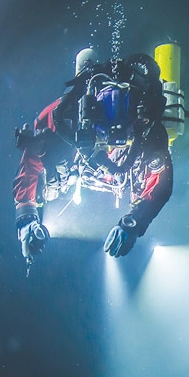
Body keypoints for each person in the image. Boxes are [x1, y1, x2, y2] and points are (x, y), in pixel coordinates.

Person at [12, 48, 172, 270]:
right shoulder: (63, 115)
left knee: (153, 162)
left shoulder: (146, 124)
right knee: (47, 146)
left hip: (124, 176)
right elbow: (32, 156)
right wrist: (26, 216)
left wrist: (135, 220)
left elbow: (162, 181)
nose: (108, 143)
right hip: (79, 169)